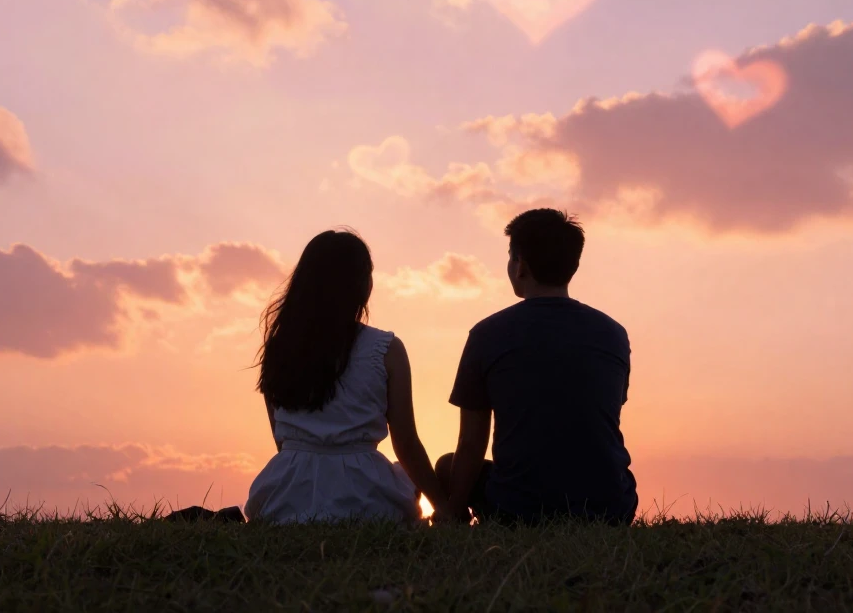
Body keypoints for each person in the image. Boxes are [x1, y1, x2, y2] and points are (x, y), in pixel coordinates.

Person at [436, 208, 637, 525]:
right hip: (610, 508)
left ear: (520, 267)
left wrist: (453, 509)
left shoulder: (488, 334)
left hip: (518, 510)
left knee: (447, 465)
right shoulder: (613, 333)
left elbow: (472, 442)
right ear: (573, 266)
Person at [246, 229, 447, 523]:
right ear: (361, 284)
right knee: (403, 482)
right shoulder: (386, 349)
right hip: (365, 493)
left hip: (287, 495)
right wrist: (442, 504)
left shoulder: (279, 348)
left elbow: (282, 438)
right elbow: (405, 443)